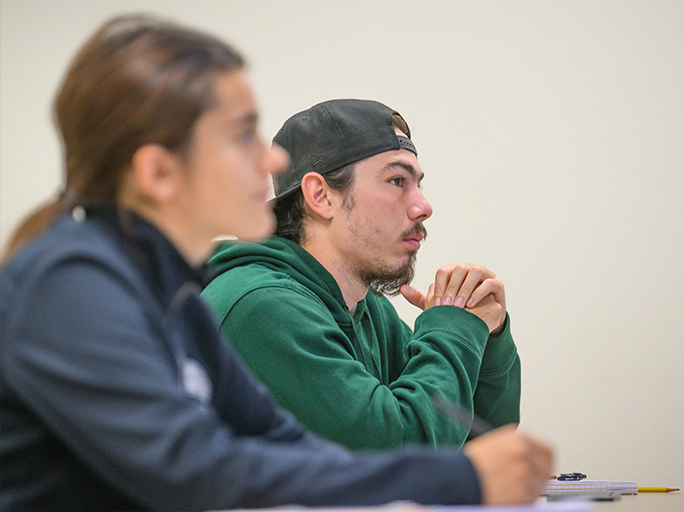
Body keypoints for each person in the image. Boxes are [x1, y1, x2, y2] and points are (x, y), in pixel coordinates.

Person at [0, 14, 553, 512]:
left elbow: (286, 445)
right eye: (243, 134)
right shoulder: (71, 283)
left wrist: (461, 472)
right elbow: (198, 471)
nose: (271, 160)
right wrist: (455, 479)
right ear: (159, 173)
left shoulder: (173, 298)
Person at [202, 98, 521, 450]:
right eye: (397, 180)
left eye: (418, 184)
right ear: (321, 196)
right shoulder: (261, 306)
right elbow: (397, 456)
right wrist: (453, 330)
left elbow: (482, 444)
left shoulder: (367, 310)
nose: (424, 206)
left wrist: (484, 334)